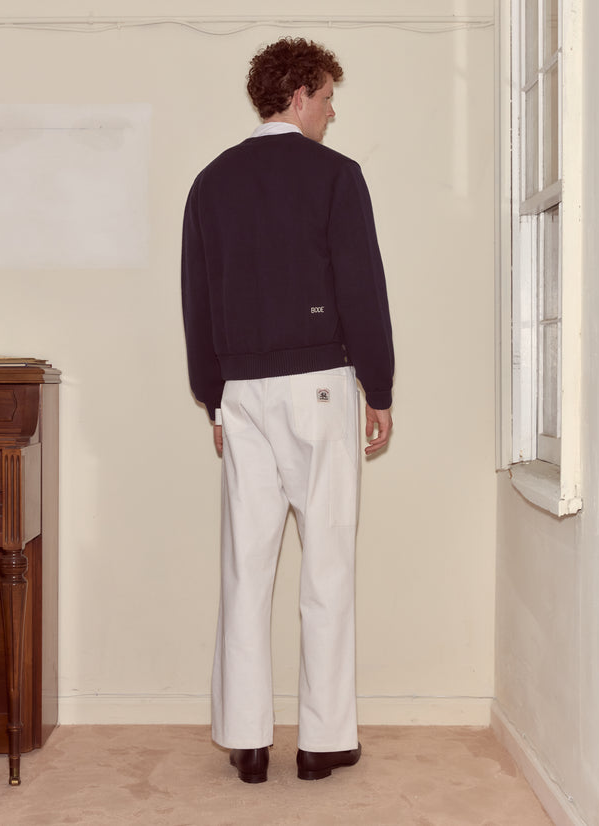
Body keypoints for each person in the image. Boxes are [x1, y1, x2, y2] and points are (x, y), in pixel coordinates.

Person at [181, 37, 394, 783]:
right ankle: (322, 741)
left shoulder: (210, 182)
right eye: (328, 98)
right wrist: (380, 387)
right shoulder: (336, 176)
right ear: (299, 95)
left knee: (246, 565)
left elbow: (197, 300)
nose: (333, 113)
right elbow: (361, 286)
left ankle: (246, 740)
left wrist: (214, 395)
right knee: (326, 563)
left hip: (241, 393)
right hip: (319, 388)